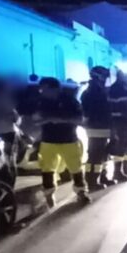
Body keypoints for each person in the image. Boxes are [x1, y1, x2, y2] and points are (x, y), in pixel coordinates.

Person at [36, 77, 89, 206]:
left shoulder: (70, 101)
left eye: (44, 89)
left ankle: (81, 192)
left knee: (75, 167)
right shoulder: (41, 102)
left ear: (55, 89)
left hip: (68, 139)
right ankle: (49, 195)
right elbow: (35, 119)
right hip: (48, 140)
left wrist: (59, 120)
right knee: (47, 168)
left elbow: (79, 119)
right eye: (41, 89)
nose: (42, 91)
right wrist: (40, 120)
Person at [81, 66, 113, 190]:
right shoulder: (95, 92)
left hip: (101, 127)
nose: (106, 79)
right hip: (97, 127)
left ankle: (101, 176)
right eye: (104, 76)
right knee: (96, 156)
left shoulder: (95, 91)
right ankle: (92, 180)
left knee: (103, 155)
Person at [108, 70, 127, 181]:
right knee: (124, 146)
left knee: (122, 146)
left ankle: (123, 169)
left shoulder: (113, 89)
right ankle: (119, 171)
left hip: (116, 121)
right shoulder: (124, 90)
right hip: (123, 121)